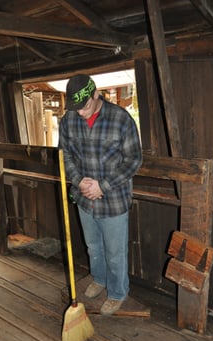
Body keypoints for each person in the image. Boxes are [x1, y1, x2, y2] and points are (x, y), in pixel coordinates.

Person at [59, 74, 142, 315]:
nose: (81, 113)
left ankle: (117, 293)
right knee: (93, 246)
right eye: (76, 109)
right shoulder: (69, 120)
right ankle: (100, 279)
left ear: (96, 95)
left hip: (113, 200)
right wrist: (78, 180)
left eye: (84, 107)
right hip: (84, 198)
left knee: (115, 252)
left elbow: (133, 161)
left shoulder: (120, 119)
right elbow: (65, 155)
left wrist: (102, 186)